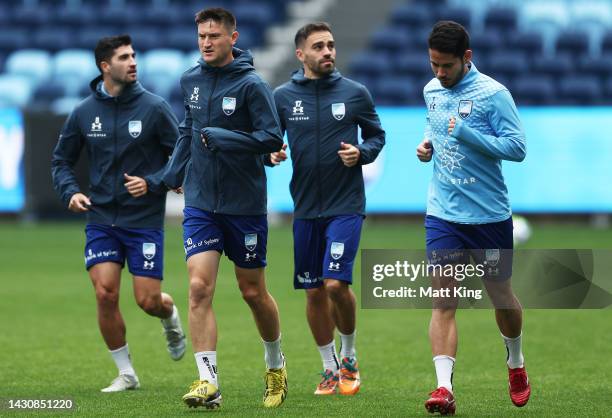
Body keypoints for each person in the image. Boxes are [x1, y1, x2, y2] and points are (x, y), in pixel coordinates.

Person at [161, 7, 287, 409]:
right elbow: (189, 128)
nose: (206, 43)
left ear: (233, 38)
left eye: (214, 36)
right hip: (200, 201)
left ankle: (275, 365)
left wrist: (227, 138)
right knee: (198, 287)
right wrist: (173, 170)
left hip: (244, 204)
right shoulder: (190, 80)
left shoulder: (252, 85)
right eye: (201, 36)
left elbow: (270, 138)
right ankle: (207, 380)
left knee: (253, 292)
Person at [51, 34, 185, 393]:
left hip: (143, 222)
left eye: (134, 55)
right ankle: (127, 373)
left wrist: (154, 182)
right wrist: (71, 191)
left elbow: (180, 157)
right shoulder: (83, 112)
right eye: (124, 57)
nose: (133, 62)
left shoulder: (155, 108)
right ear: (105, 66)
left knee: (147, 301)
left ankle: (170, 316)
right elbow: (61, 160)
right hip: (101, 219)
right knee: (105, 293)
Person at [416, 21, 530, 415]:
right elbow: (435, 129)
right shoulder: (431, 90)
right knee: (443, 300)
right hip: (443, 215)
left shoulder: (493, 94)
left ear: (467, 57)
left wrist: (467, 134)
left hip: (488, 217)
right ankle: (443, 388)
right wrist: (427, 145)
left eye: (447, 65)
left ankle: (515, 362)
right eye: (434, 65)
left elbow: (517, 148)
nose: (440, 74)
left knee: (501, 297)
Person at [269, 22, 385, 396]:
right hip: (305, 208)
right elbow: (270, 138)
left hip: (345, 205)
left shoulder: (355, 93)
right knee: (313, 291)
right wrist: (271, 152)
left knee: (336, 283)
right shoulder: (283, 97)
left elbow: (376, 135)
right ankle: (328, 367)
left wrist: (362, 153)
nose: (328, 52)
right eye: (319, 46)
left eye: (331, 45)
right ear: (301, 54)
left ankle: (349, 355)